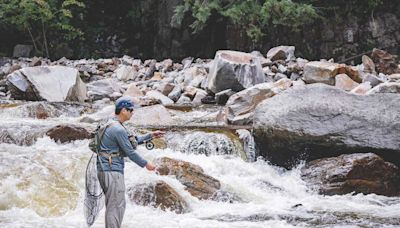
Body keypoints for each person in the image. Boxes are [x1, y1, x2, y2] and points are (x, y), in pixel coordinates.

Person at [96, 96, 164, 228]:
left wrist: (150, 135)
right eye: (130, 110)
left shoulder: (111, 123)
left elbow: (129, 141)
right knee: (116, 205)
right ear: (123, 110)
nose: (133, 112)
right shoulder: (118, 129)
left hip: (104, 169)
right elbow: (130, 152)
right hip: (112, 170)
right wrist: (146, 164)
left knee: (113, 204)